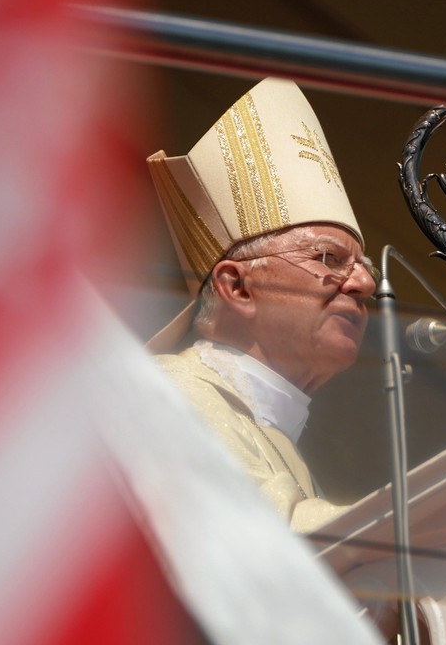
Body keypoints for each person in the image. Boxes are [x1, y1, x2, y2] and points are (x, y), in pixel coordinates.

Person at [146, 77, 376, 532]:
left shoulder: (282, 435)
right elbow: (258, 543)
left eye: (364, 266)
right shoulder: (165, 395)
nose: (366, 283)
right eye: (330, 259)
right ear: (238, 288)